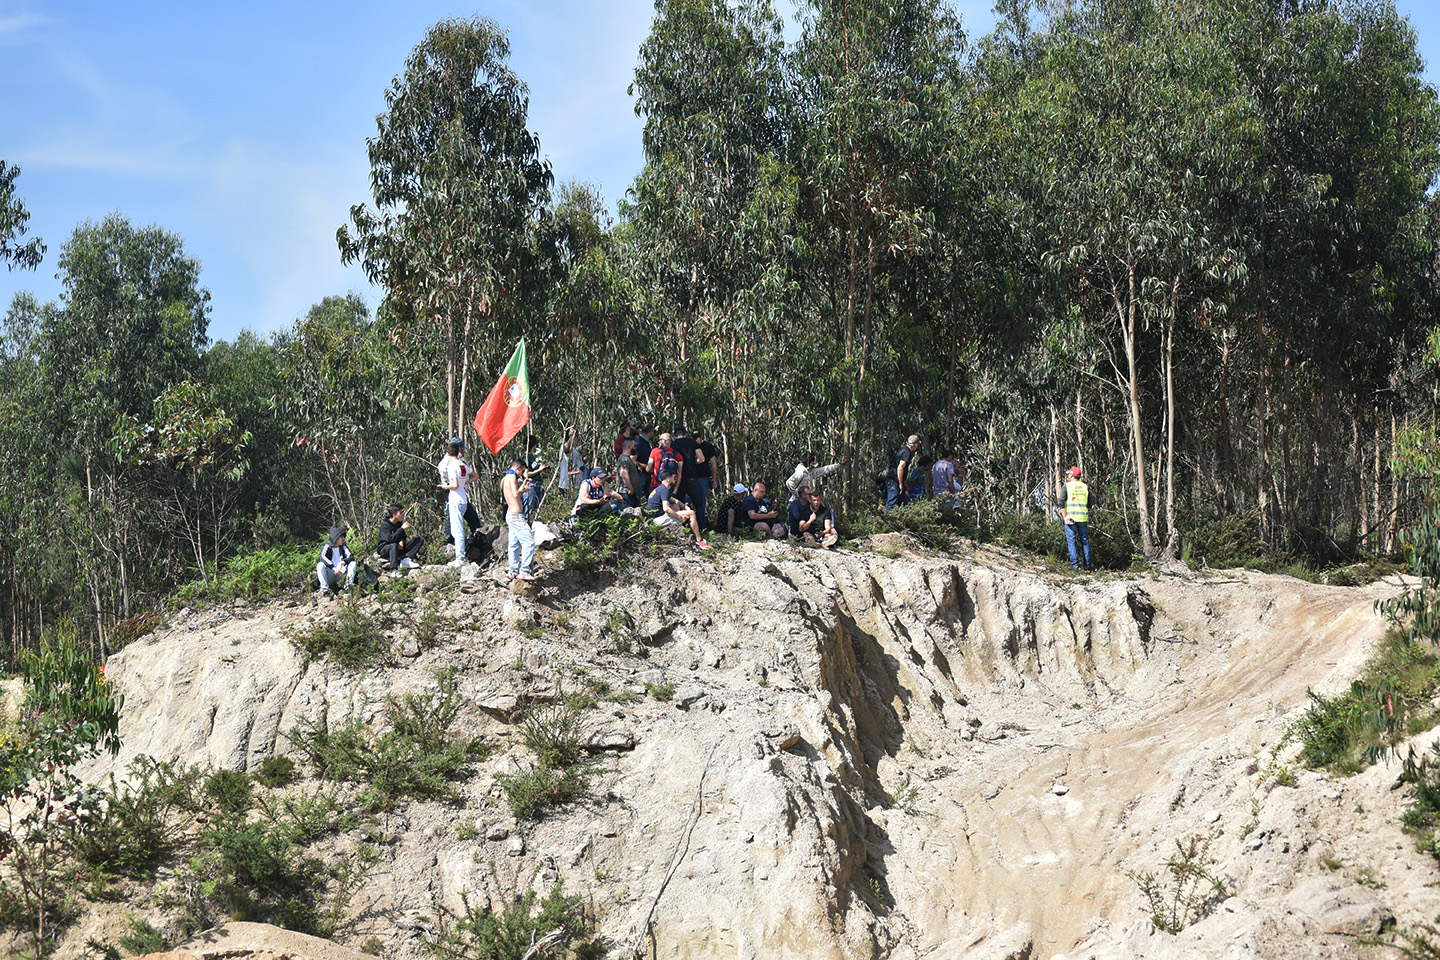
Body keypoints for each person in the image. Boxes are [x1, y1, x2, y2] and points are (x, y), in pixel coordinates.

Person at [437, 438, 482, 567]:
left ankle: (460, 557)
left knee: (457, 530)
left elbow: (454, 484)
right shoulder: (461, 464)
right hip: (463, 497)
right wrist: (465, 483)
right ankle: (454, 546)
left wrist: (444, 487)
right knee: (458, 524)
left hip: (455, 499)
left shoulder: (452, 466)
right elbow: (474, 475)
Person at [646, 470, 709, 548]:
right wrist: (679, 518)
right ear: (669, 480)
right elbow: (666, 508)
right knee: (691, 513)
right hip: (659, 519)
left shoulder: (660, 489)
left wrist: (685, 507)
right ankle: (699, 540)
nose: (675, 480)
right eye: (674, 478)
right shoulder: (664, 490)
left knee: (676, 506)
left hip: (654, 518)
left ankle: (690, 530)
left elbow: (675, 501)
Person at [503, 458, 537, 581]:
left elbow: (513, 495)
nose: (521, 474)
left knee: (514, 544)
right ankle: (524, 570)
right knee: (529, 542)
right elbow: (515, 494)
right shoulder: (512, 477)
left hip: (511, 515)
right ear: (518, 467)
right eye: (521, 472)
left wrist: (522, 486)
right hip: (515, 516)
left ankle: (513, 570)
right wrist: (524, 490)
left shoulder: (506, 478)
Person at [670, 425, 707, 531]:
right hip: (692, 477)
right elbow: (702, 459)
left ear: (674, 436)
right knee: (699, 504)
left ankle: (682, 527)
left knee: (679, 503)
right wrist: (692, 462)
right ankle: (701, 527)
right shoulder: (692, 442)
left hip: (678, 479)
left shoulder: (673, 444)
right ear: (685, 434)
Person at [1061, 465, 1092, 570]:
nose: (1068, 476)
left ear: (1072, 475)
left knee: (1072, 541)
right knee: (1085, 541)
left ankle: (1075, 565)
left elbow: (1061, 503)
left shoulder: (1067, 486)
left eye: (1069, 474)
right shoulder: (1085, 487)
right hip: (1082, 518)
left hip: (1071, 518)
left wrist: (1065, 517)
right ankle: (1088, 566)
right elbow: (1090, 504)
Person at [376, 505, 424, 572]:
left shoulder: (399, 523)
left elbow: (403, 537)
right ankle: (394, 570)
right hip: (386, 548)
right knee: (393, 545)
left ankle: (406, 559)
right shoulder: (385, 525)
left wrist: (402, 541)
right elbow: (389, 539)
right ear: (394, 515)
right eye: (400, 513)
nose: (402, 515)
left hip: (398, 548)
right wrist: (401, 529)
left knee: (419, 540)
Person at [692, 426, 721, 529]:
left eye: (697, 438)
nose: (695, 440)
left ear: (700, 437)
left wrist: (714, 478)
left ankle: (702, 526)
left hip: (704, 477)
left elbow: (713, 463)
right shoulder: (691, 445)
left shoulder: (708, 446)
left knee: (701, 501)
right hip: (692, 477)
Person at [316, 527, 356, 598]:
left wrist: (341, 563)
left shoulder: (343, 547)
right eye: (341, 537)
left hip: (342, 575)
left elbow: (351, 557)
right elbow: (322, 557)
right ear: (336, 538)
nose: (344, 539)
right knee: (320, 565)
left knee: (353, 563)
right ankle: (326, 591)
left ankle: (348, 589)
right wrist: (334, 568)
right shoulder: (327, 547)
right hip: (331, 575)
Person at [886, 435, 921, 512]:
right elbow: (900, 468)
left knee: (904, 504)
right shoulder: (907, 452)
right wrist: (900, 483)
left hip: (893, 480)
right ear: (916, 445)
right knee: (891, 504)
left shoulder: (902, 450)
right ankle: (886, 522)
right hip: (894, 481)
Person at [521, 435, 548, 520]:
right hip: (531, 485)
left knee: (537, 508)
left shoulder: (532, 457)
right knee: (530, 507)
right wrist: (539, 470)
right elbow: (526, 474)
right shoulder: (526, 457)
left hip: (537, 485)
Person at [615, 438, 644, 507]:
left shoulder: (628, 459)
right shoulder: (624, 459)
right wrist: (630, 488)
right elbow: (624, 474)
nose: (635, 448)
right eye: (634, 446)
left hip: (630, 493)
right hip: (626, 492)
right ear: (629, 447)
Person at [557, 426, 584, 494]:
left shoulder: (576, 451)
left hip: (576, 486)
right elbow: (566, 449)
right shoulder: (567, 448)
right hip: (567, 486)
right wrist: (571, 437)